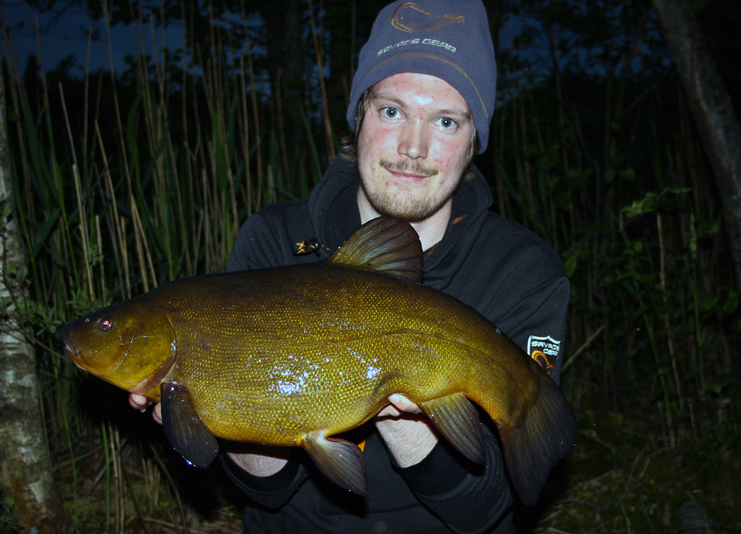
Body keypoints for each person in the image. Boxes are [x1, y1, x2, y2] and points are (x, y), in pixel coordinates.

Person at [130, 1, 570, 532]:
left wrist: (406, 409)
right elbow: (266, 491)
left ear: (474, 141)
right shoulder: (272, 237)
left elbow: (483, 512)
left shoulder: (524, 272)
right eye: (391, 111)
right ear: (358, 114)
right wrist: (223, 412)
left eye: (446, 121)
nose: (413, 147)